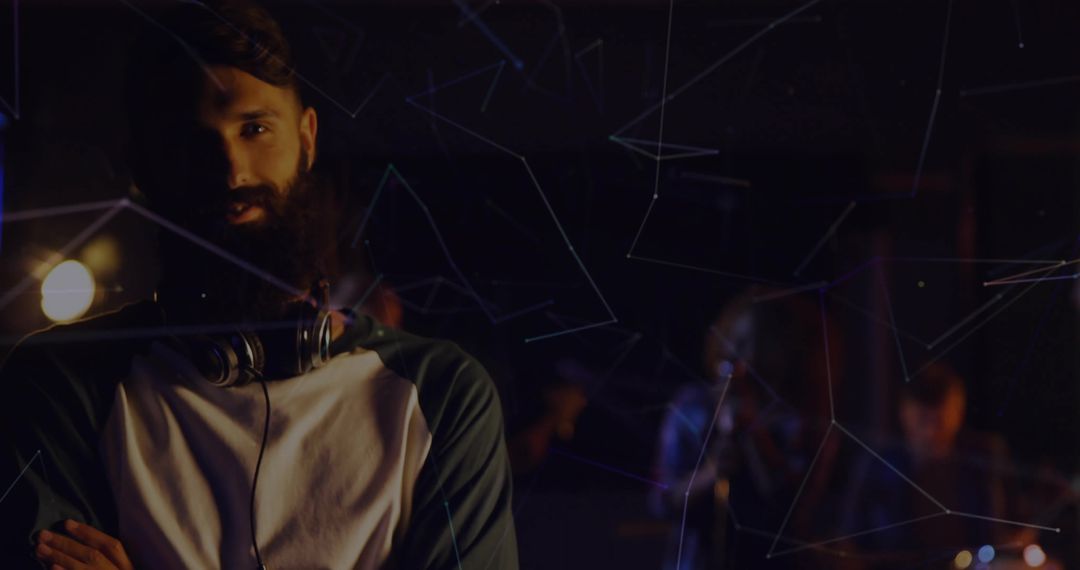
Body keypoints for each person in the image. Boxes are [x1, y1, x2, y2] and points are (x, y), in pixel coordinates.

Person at [0, 1, 517, 568]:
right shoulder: (59, 386)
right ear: (143, 169)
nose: (233, 170)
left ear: (307, 137)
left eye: (255, 128)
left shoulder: (444, 395)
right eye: (192, 141)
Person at [651, 290, 842, 569]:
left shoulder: (806, 423)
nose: (739, 359)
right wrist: (711, 472)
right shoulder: (692, 407)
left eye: (755, 347)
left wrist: (752, 430)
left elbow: (792, 515)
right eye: (735, 343)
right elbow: (661, 501)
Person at [839, 363, 1013, 568]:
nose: (931, 432)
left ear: (958, 411)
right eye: (923, 420)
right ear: (904, 412)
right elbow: (850, 538)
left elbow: (1012, 526)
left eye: (939, 420)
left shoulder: (984, 458)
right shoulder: (876, 465)